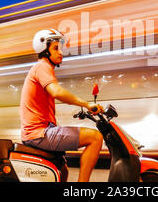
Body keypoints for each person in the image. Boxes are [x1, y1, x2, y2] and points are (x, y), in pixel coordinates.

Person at [20, 29, 104, 182]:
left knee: (62, 170)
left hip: (41, 131)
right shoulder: (42, 67)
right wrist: (86, 104)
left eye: (61, 48)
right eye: (55, 48)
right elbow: (56, 92)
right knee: (96, 137)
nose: (61, 52)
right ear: (44, 51)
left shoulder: (43, 68)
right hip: (39, 133)